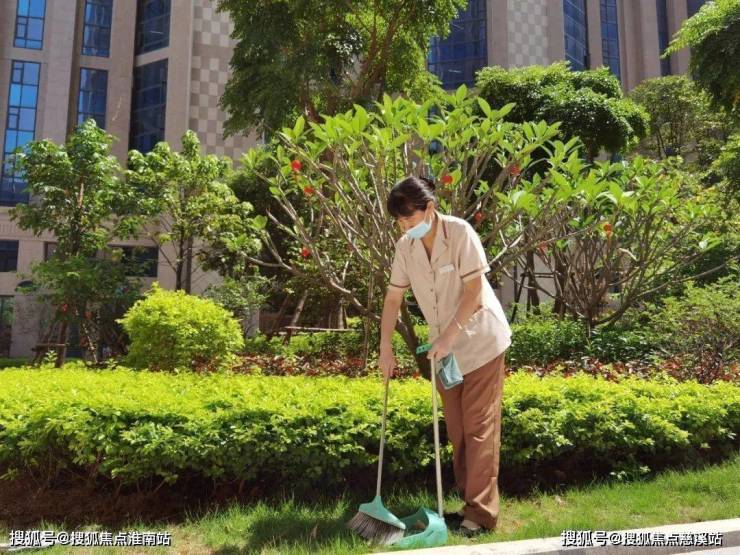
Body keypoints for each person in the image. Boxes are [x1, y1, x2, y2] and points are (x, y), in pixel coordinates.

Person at [378, 175, 512, 537]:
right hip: (445, 351)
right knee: (457, 430)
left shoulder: (461, 233)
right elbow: (393, 298)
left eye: (410, 219)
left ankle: (480, 514)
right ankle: (468, 502)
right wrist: (385, 347)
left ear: (430, 208)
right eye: (400, 222)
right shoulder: (406, 247)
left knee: (479, 428)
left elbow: (474, 292)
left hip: (481, 341)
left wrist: (450, 335)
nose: (405, 228)